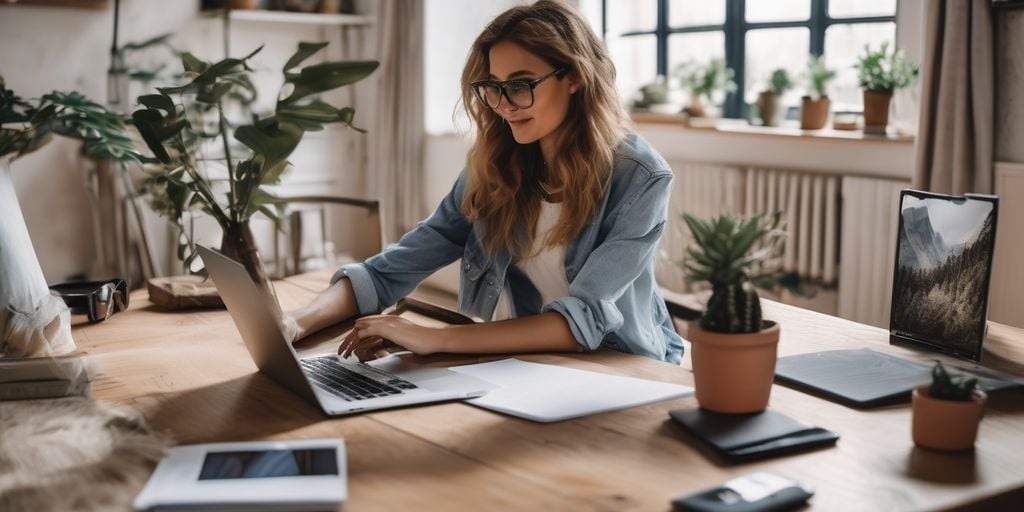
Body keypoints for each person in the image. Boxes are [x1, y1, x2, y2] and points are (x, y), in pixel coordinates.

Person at [286, 0, 684, 364]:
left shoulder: (640, 177)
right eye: (493, 87)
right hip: (518, 361)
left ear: (575, 77)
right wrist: (293, 324)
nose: (504, 104)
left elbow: (583, 320)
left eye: (520, 84)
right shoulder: (496, 167)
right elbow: (385, 272)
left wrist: (432, 338)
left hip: (617, 366)